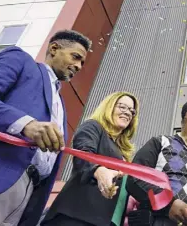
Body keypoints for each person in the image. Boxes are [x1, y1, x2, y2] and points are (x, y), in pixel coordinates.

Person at [0, 30, 90, 226]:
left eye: (82, 63)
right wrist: (26, 124)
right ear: (54, 48)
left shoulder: (60, 103)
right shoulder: (21, 61)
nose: (78, 66)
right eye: (76, 57)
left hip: (29, 195)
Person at [42, 92, 140, 226]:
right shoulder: (93, 126)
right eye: (122, 107)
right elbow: (83, 153)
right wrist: (98, 171)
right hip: (78, 217)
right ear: (109, 107)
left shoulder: (123, 152)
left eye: (132, 111)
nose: (128, 113)